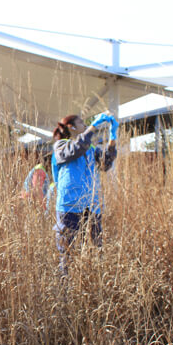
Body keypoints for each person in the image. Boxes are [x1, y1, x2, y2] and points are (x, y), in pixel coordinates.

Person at [51, 113, 117, 273]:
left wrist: (113, 138)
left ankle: (93, 285)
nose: (86, 124)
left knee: (96, 248)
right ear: (71, 127)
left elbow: (105, 164)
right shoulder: (61, 146)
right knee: (68, 253)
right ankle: (65, 290)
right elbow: (75, 149)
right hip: (70, 206)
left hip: (91, 206)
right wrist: (94, 127)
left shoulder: (91, 149)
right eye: (81, 122)